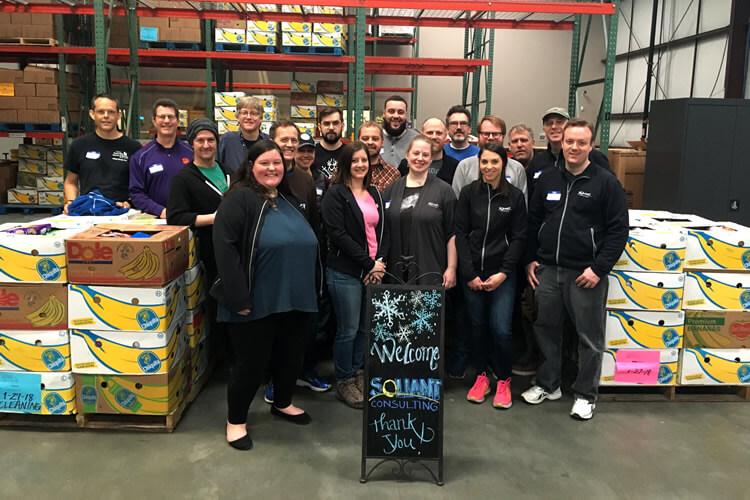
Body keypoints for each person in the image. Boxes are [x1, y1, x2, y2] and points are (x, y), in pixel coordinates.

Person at [213, 140, 319, 450]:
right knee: (251, 364)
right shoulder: (238, 199)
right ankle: (236, 422)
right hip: (254, 299)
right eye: (264, 163)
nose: (271, 168)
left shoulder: (286, 197)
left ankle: (282, 402)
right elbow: (225, 249)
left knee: (290, 356)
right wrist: (237, 297)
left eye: (277, 162)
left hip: (295, 297)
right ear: (250, 166)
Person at [522, 119, 628, 421]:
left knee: (588, 336)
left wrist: (599, 268)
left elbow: (619, 230)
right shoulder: (548, 179)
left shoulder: (606, 183)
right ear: (561, 143)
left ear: (591, 146)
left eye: (581, 142)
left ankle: (585, 394)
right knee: (546, 329)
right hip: (547, 270)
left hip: (585, 274)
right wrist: (530, 259)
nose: (574, 147)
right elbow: (533, 222)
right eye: (570, 141)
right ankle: (548, 384)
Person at [454, 142, 527, 409]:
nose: (489, 167)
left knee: (500, 329)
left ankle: (504, 380)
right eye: (484, 161)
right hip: (472, 273)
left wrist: (504, 272)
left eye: (494, 162)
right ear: (479, 163)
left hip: (502, 275)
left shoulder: (515, 197)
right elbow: (460, 234)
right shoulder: (468, 194)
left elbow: (519, 238)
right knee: (477, 327)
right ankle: (482, 376)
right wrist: (468, 273)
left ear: (503, 164)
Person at [321, 141, 389, 409]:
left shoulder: (374, 192)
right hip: (346, 272)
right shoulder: (335, 194)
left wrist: (379, 262)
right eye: (354, 160)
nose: (360, 164)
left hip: (372, 271)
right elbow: (338, 235)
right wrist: (367, 264)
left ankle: (359, 373)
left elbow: (384, 230)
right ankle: (344, 380)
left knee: (364, 328)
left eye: (364, 160)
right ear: (346, 164)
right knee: (347, 330)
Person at [269, 120, 329, 395]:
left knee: (306, 324)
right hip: (274, 268)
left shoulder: (305, 178)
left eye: (294, 140)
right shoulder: (264, 176)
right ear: (273, 141)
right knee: (276, 325)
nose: (291, 145)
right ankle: (274, 380)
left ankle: (305, 371)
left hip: (305, 267)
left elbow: (315, 224)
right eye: (285, 140)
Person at [384, 135, 457, 287]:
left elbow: (452, 233)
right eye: (416, 153)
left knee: (425, 310)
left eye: (425, 155)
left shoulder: (444, 191)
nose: (420, 158)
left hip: (430, 268)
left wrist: (451, 268)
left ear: (431, 159)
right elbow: (383, 230)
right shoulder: (391, 189)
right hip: (394, 270)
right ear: (407, 155)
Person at [167, 118, 230, 283]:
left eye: (211, 140)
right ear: (191, 144)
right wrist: (214, 218)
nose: (206, 145)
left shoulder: (229, 172)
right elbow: (175, 217)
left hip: (233, 246)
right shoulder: (184, 179)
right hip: (208, 251)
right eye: (200, 140)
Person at [63, 93, 142, 214]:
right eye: (101, 112)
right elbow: (70, 181)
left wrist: (130, 203)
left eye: (111, 112)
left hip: (121, 212)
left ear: (119, 115)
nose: (106, 116)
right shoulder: (79, 145)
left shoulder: (133, 147)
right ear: (92, 114)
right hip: (88, 211)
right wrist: (71, 202)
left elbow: (141, 185)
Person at [129, 98, 193, 218]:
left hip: (187, 219)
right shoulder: (140, 157)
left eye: (171, 117)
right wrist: (160, 211)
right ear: (154, 120)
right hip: (155, 221)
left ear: (178, 121)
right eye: (162, 117)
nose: (167, 121)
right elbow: (136, 193)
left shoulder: (191, 153)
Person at [526, 107, 610, 197]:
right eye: (549, 123)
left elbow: (610, 190)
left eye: (560, 122)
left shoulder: (595, 157)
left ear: (568, 127)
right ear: (544, 130)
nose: (554, 126)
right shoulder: (536, 162)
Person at [451, 115, 528, 204]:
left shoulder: (517, 168)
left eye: (495, 134)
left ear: (503, 136)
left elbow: (522, 207)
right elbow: (456, 203)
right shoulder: (464, 166)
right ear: (478, 136)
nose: (491, 138)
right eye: (486, 134)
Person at [398, 118, 459, 185]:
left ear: (445, 136)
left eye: (439, 133)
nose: (434, 137)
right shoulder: (405, 165)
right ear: (421, 135)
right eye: (430, 133)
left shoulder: (455, 167)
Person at [217, 96, 269, 173]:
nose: (248, 117)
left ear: (261, 118)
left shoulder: (268, 142)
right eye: (244, 113)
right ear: (238, 117)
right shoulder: (227, 140)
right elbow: (216, 166)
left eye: (253, 113)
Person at [358, 121, 400, 192]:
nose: (370, 142)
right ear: (358, 141)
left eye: (375, 139)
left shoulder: (393, 175)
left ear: (382, 142)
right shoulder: (344, 171)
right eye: (365, 138)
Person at [381, 95, 419, 166]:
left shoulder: (416, 139)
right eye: (391, 111)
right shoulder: (374, 137)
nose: (396, 116)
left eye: (400, 112)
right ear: (384, 113)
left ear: (406, 115)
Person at [314, 107, 345, 181]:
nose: (331, 127)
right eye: (326, 123)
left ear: (342, 126)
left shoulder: (350, 153)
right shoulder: (311, 153)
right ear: (319, 127)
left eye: (335, 123)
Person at [294, 132, 326, 197]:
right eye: (301, 151)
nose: (306, 155)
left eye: (310, 151)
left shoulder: (321, 178)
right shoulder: (286, 179)